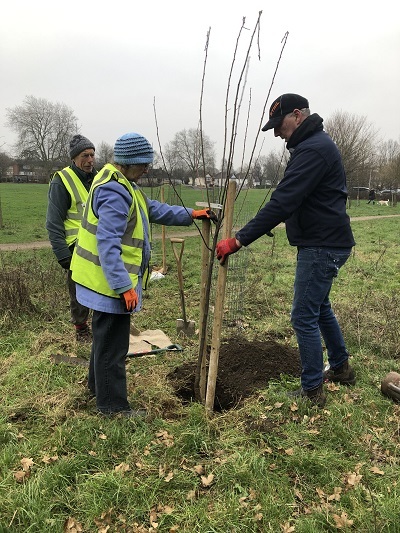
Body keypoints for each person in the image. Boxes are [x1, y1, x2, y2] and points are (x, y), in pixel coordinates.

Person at [216, 93, 356, 408]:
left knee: (303, 315)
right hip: (328, 241)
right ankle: (341, 368)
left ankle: (311, 391)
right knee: (319, 308)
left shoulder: (314, 150)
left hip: (322, 244)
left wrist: (239, 239)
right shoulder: (311, 146)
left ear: (297, 115)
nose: (278, 133)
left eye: (280, 125)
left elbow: (283, 201)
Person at [70, 132, 216, 417]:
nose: (147, 168)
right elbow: (108, 243)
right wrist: (124, 287)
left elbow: (152, 209)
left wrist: (192, 215)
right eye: (143, 163)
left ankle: (96, 388)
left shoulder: (123, 184)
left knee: (103, 339)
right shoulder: (114, 191)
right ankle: (113, 407)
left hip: (101, 281)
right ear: (127, 162)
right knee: (114, 345)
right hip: (109, 283)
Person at [46, 134, 97, 341]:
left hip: (98, 242)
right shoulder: (62, 180)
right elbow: (53, 222)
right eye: (85, 155)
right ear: (74, 158)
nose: (90, 160)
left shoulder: (98, 177)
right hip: (75, 246)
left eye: (93, 155)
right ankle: (81, 328)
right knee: (78, 289)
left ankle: (101, 324)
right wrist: (62, 255)